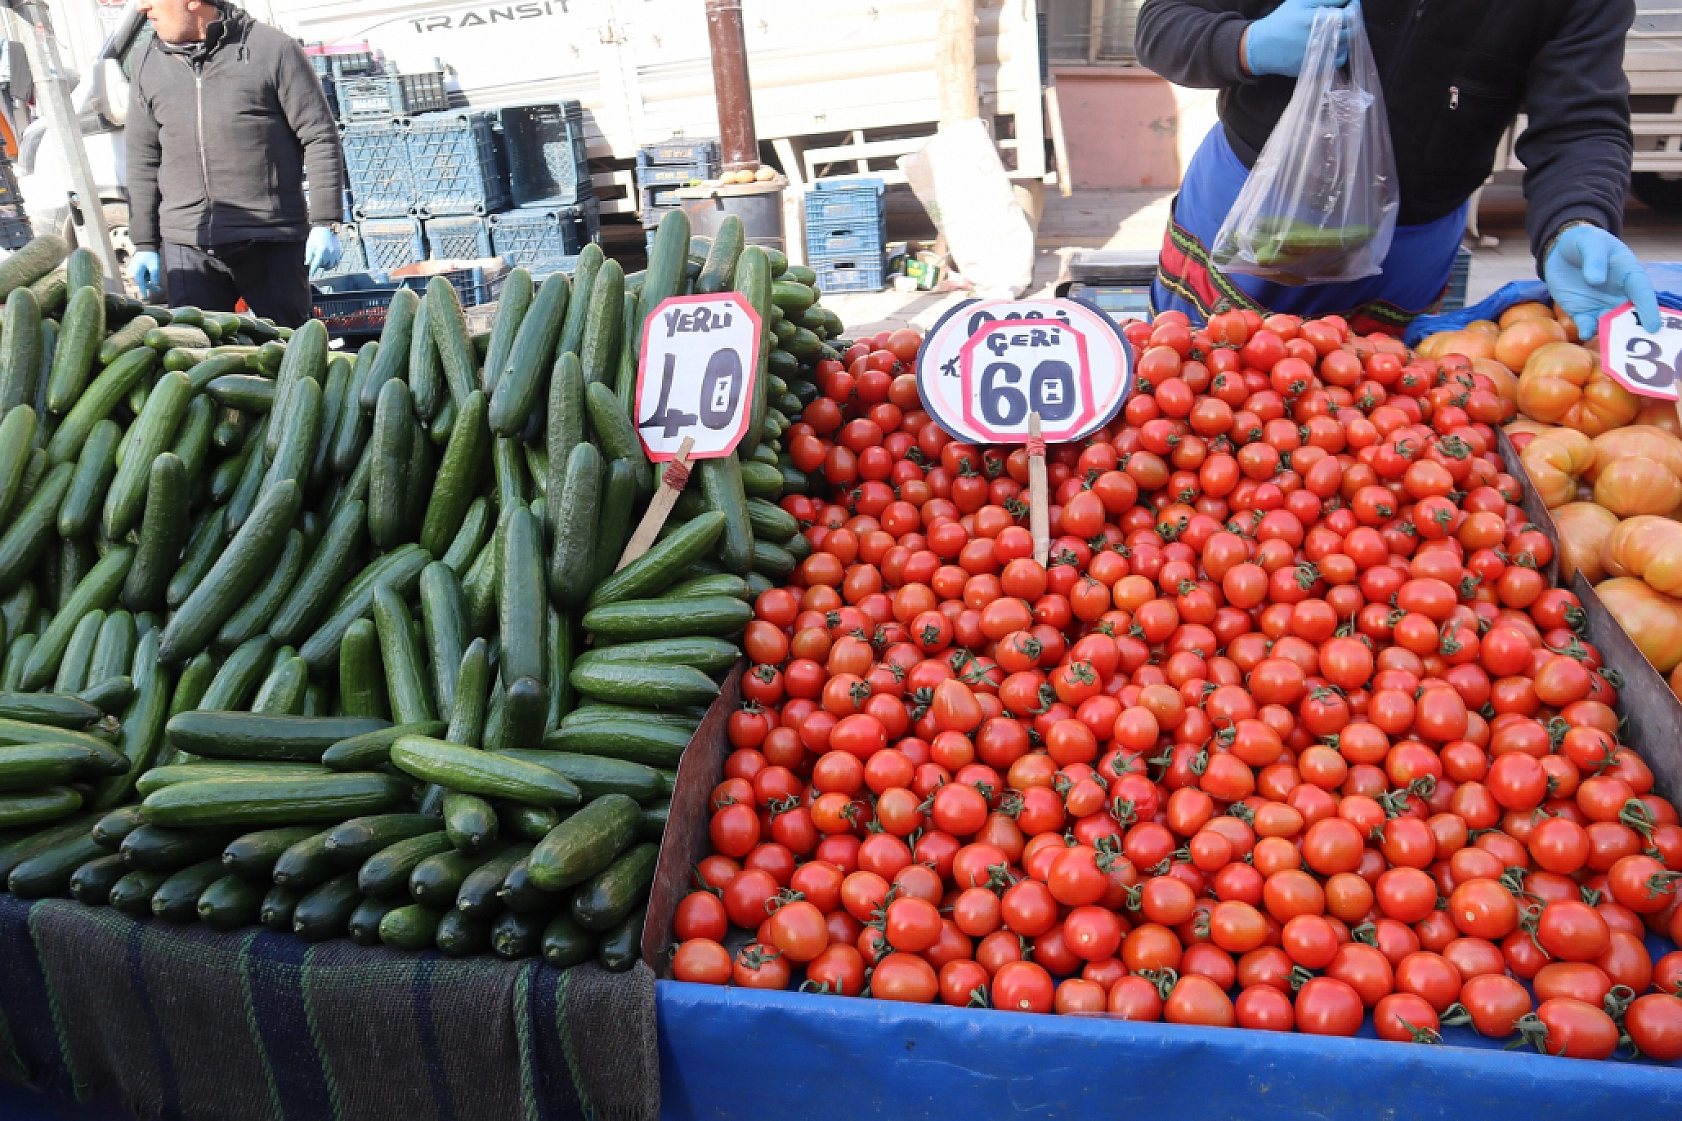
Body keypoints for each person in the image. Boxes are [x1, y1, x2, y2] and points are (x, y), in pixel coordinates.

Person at [1135, 0, 1661, 339]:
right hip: (1245, 212)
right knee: (1190, 408)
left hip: (1404, 252)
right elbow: (1163, 24)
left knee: (1372, 435)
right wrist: (1248, 46)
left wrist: (1577, 219)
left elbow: (1580, 122)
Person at [125, 0, 345, 327]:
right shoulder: (146, 61)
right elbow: (143, 156)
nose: (143, 7)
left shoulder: (272, 49)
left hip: (270, 238)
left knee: (291, 346)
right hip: (188, 244)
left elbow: (319, 136)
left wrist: (326, 221)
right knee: (196, 349)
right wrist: (144, 242)